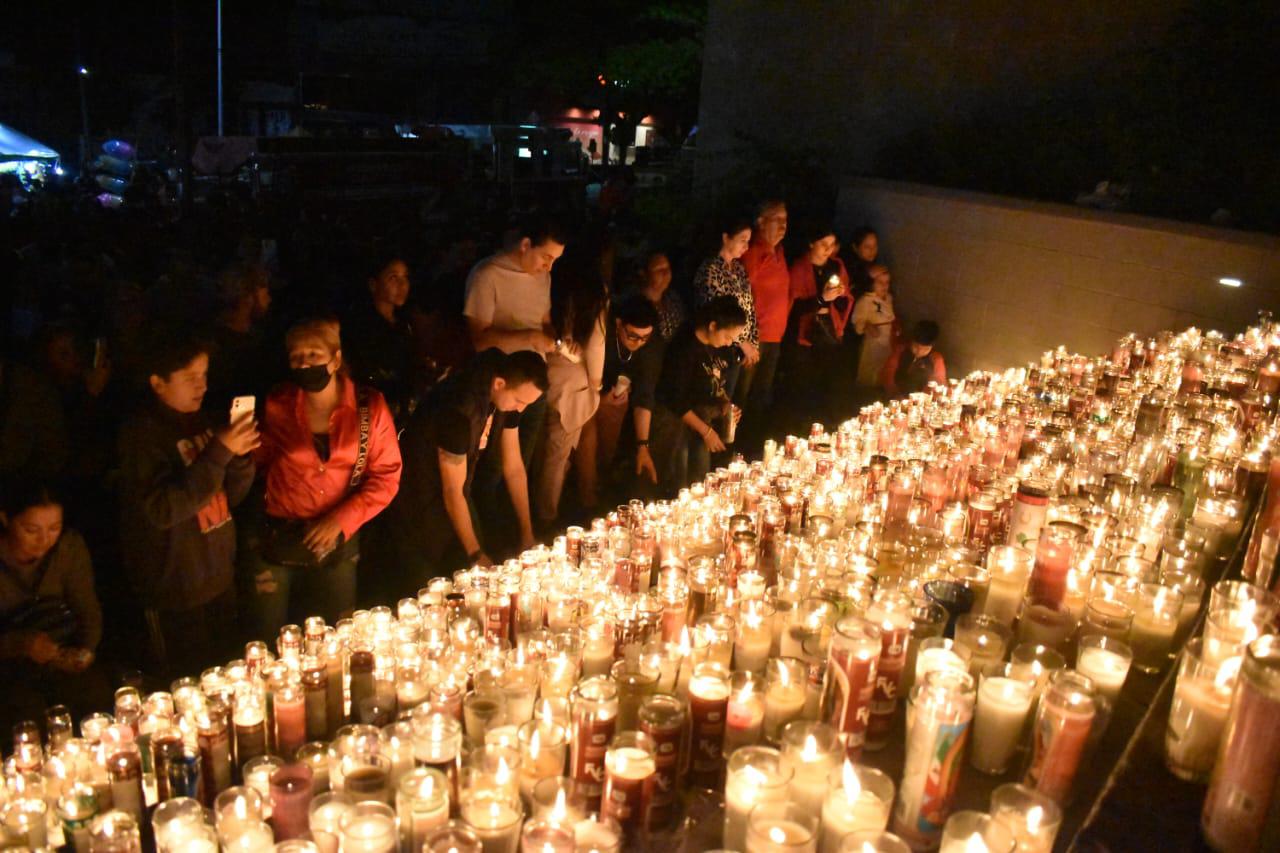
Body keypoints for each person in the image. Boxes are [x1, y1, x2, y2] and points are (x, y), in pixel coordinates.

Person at [118, 331, 258, 676]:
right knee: (187, 682)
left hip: (219, 577)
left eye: (205, 375)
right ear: (158, 383)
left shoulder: (206, 422)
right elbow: (162, 509)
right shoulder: (141, 436)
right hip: (176, 589)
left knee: (229, 676)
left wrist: (238, 458)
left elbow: (230, 497)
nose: (202, 386)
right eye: (190, 378)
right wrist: (220, 452)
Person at [250, 318, 402, 631]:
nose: (304, 363)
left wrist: (341, 520)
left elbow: (386, 475)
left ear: (335, 359)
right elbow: (259, 461)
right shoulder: (277, 405)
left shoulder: (368, 407)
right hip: (279, 535)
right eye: (296, 357)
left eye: (313, 355)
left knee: (334, 633)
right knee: (271, 635)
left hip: (337, 542)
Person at [388, 350, 548, 581]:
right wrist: (475, 555)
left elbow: (513, 467)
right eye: (520, 401)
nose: (520, 409)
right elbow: (451, 492)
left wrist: (527, 535)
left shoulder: (506, 400)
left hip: (458, 488)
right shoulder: (459, 410)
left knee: (471, 562)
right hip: (417, 494)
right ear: (499, 383)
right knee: (435, 576)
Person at [464, 216, 565, 539]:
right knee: (493, 467)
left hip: (535, 383)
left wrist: (554, 339)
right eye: (546, 257)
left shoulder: (542, 278)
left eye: (555, 261)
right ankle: (490, 537)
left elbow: (545, 321)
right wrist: (529, 338)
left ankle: (524, 531)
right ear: (525, 245)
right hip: (503, 388)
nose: (548, 267)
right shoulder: (487, 275)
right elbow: (478, 339)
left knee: (523, 460)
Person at [0, 480, 110, 730]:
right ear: (6, 519)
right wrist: (19, 643)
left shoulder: (66, 548)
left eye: (54, 528)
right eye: (31, 530)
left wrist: (85, 651)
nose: (44, 540)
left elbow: (88, 610)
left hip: (61, 654)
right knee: (25, 716)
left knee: (96, 699)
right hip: (9, 671)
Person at [535, 251, 607, 526]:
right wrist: (595, 385)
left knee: (539, 449)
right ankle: (546, 517)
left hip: (540, 369)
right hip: (572, 382)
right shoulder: (594, 295)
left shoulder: (549, 284)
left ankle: (535, 510)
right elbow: (596, 345)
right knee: (557, 454)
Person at [650, 296, 747, 492]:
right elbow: (675, 399)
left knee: (701, 476)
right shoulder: (684, 347)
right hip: (677, 422)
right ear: (712, 325)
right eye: (728, 336)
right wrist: (707, 432)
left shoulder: (721, 348)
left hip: (704, 417)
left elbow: (717, 379)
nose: (730, 343)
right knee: (679, 479)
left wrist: (726, 403)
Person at [578, 296, 662, 508]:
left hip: (615, 400)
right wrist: (598, 398)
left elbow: (645, 395)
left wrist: (643, 446)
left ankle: (601, 484)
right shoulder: (601, 336)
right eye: (633, 336)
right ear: (618, 324)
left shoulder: (649, 348)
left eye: (645, 337)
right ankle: (587, 497)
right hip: (584, 387)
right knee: (588, 429)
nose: (639, 343)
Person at [343, 255, 420, 426]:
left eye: (405, 277)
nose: (402, 285)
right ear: (373, 284)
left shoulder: (404, 324)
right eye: (393, 277)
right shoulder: (360, 327)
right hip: (372, 415)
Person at [788, 224, 854, 423]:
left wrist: (840, 295)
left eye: (832, 244)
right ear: (811, 243)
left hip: (829, 330)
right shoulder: (800, 267)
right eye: (823, 244)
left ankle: (825, 425)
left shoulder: (836, 265)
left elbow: (846, 299)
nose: (828, 249)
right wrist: (821, 298)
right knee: (805, 386)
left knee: (829, 383)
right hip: (805, 334)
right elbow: (794, 306)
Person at [738, 199, 790, 436]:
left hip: (774, 338)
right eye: (777, 220)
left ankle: (751, 446)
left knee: (761, 394)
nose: (782, 225)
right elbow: (740, 294)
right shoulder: (753, 253)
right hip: (754, 338)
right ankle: (731, 448)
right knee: (743, 396)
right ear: (761, 221)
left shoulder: (779, 252)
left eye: (785, 220)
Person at [692, 214, 755, 401]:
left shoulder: (738, 269)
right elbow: (716, 313)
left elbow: (749, 307)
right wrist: (741, 342)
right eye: (742, 240)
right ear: (726, 238)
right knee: (718, 399)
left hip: (741, 349)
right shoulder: (710, 270)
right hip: (720, 346)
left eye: (748, 241)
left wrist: (752, 342)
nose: (746, 247)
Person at [206, 263, 273, 413]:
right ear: (248, 297)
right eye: (264, 290)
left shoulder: (260, 335)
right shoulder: (215, 345)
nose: (269, 298)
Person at [852, 264, 898, 391]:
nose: (884, 286)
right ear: (872, 283)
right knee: (872, 370)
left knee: (886, 367)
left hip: (888, 340)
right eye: (880, 282)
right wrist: (867, 326)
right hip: (874, 342)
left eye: (887, 282)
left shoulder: (888, 298)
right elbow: (857, 320)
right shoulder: (866, 301)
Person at [882, 320, 947, 398]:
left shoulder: (936, 359)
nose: (919, 352)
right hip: (895, 395)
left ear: (932, 347)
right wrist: (894, 392)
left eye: (925, 349)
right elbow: (888, 372)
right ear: (911, 342)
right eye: (916, 347)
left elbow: (938, 382)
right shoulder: (901, 350)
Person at [636, 251, 685, 341]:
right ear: (644, 274)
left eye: (668, 268)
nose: (666, 274)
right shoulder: (636, 305)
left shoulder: (673, 298)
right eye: (659, 270)